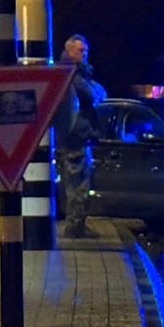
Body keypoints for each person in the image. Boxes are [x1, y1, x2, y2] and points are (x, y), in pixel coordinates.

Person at [56, 34, 107, 238]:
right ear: (69, 51)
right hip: (75, 138)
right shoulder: (71, 74)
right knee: (78, 185)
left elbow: (101, 92)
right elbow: (93, 95)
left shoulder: (77, 73)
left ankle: (77, 225)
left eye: (86, 50)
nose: (85, 54)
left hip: (77, 136)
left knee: (78, 184)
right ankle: (75, 227)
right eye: (80, 50)